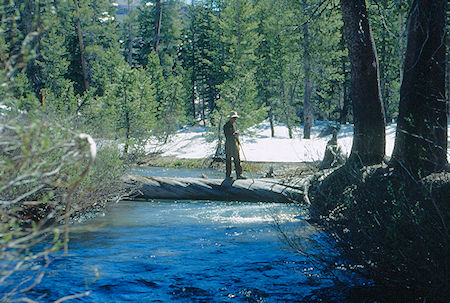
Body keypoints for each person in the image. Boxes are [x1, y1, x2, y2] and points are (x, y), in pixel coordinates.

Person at [223, 111, 246, 180]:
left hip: (235, 145)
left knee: (237, 160)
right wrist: (233, 134)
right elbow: (227, 135)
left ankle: (239, 174)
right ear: (230, 118)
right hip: (229, 145)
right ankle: (228, 175)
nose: (235, 119)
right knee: (228, 161)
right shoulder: (226, 125)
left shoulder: (234, 125)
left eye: (235, 118)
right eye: (234, 118)